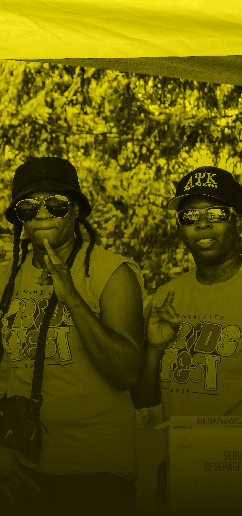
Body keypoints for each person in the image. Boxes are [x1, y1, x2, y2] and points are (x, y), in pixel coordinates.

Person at [0, 157, 145, 514]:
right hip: (20, 464)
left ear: (76, 210)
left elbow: (126, 372)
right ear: (19, 217)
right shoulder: (0, 283)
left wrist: (72, 297)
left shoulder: (111, 273)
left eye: (56, 203)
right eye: (28, 206)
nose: (42, 213)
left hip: (96, 470)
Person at [132, 166, 242, 512]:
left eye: (216, 213)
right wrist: (154, 348)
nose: (202, 224)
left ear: (237, 221)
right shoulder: (168, 296)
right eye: (190, 216)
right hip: (178, 474)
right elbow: (144, 399)